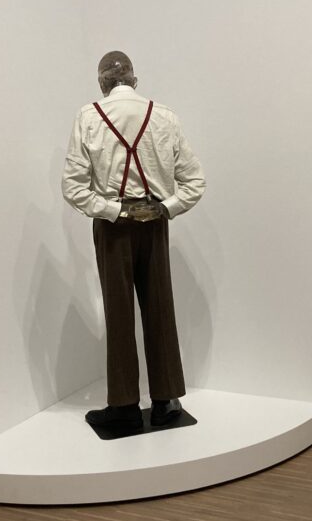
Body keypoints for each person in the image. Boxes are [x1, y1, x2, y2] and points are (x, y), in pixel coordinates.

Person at [62, 51, 206, 429]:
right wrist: (166, 208)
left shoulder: (88, 116)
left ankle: (125, 406)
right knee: (160, 308)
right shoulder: (164, 116)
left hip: (113, 227)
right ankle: (165, 401)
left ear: (102, 83)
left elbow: (73, 188)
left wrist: (113, 210)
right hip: (154, 223)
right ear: (134, 80)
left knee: (119, 312)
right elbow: (195, 182)